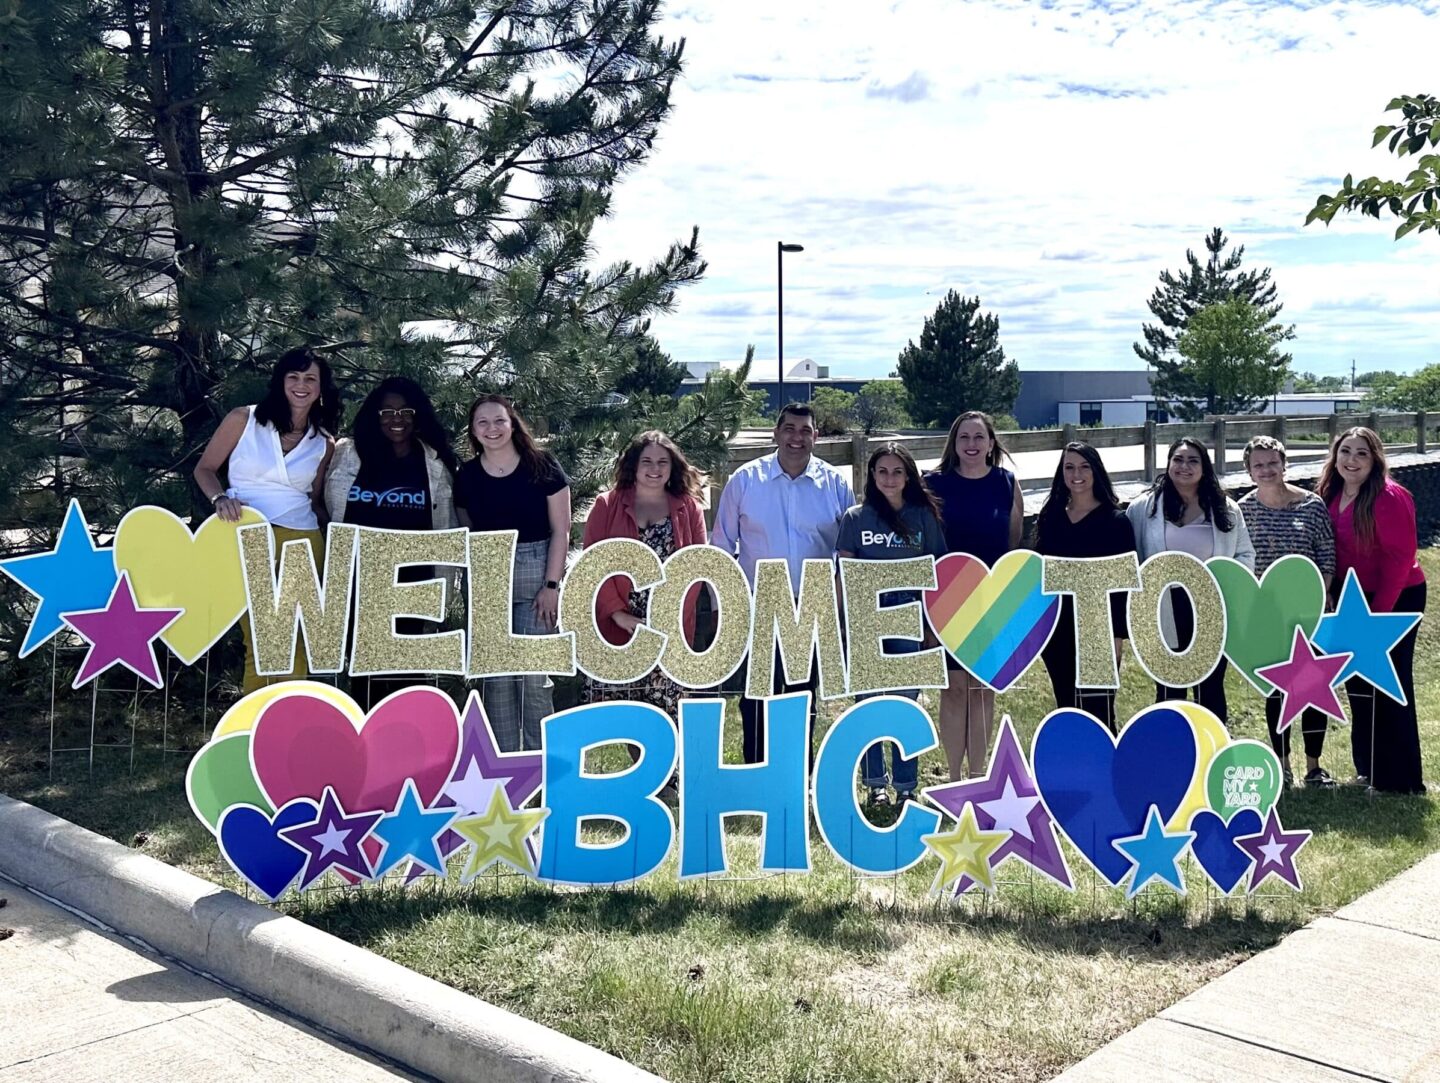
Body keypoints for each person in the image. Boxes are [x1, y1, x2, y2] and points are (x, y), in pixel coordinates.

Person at [711, 403, 855, 764]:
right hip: (757, 601)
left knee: (802, 691)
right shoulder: (744, 481)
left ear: (816, 437)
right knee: (756, 692)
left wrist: (840, 602)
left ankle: (796, 771)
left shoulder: (835, 484)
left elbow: (847, 548)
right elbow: (722, 545)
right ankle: (756, 769)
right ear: (775, 434)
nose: (797, 437)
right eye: (789, 429)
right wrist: (721, 608)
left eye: (805, 430)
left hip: (812, 604)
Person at [194, 346, 338, 693]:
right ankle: (250, 730)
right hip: (248, 534)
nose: (301, 385)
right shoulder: (243, 419)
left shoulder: (325, 442)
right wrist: (218, 498)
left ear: (321, 387)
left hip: (302, 540)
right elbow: (205, 469)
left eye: (310, 378)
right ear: (280, 381)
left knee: (299, 636)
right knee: (259, 636)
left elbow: (315, 501)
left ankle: (292, 726)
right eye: (294, 376)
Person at [582, 431, 709, 801]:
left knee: (666, 701)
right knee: (625, 702)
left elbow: (697, 567)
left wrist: (670, 619)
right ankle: (635, 779)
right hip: (619, 622)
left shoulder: (688, 508)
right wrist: (618, 614)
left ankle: (667, 779)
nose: (654, 469)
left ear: (673, 468)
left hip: (668, 623)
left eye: (662, 462)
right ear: (633, 467)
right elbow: (593, 562)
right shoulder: (607, 505)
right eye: (647, 462)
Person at [325, 377, 460, 707]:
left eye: (405, 411)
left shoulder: (434, 461)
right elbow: (322, 505)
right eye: (387, 411)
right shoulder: (348, 454)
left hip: (416, 581)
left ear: (418, 415)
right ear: (374, 415)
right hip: (360, 578)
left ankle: (409, 748)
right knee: (363, 668)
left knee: (411, 668)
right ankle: (364, 748)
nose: (396, 418)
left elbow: (447, 522)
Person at [454, 394, 571, 753]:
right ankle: (504, 768)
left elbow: (562, 530)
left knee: (533, 677)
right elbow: (466, 527)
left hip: (537, 569)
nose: (492, 429)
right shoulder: (468, 475)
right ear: (474, 431)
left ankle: (540, 766)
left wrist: (551, 584)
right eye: (482, 423)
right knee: (496, 679)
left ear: (512, 423)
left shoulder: (543, 466)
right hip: (489, 573)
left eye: (499, 420)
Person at [837, 443, 947, 808]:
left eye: (897, 471)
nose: (889, 478)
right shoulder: (856, 518)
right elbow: (845, 574)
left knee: (906, 704)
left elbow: (937, 574)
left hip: (910, 617)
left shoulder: (923, 517)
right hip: (867, 616)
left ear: (908, 476)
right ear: (871, 475)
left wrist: (933, 627)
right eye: (882, 471)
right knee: (868, 703)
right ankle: (875, 785)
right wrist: (843, 622)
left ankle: (905, 785)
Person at [1317, 427, 1426, 794]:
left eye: (1361, 453)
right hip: (1352, 600)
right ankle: (1369, 768)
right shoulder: (1331, 491)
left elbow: (1400, 559)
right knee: (1359, 684)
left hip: (1394, 598)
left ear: (1375, 459)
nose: (1351, 459)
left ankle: (1402, 780)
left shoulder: (1390, 496)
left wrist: (1377, 615)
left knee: (1389, 684)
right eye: (1345, 451)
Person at [923, 411, 1022, 780]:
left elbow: (1012, 542)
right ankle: (952, 775)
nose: (971, 444)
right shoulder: (933, 483)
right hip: (944, 599)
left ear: (991, 442)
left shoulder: (1006, 483)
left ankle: (979, 775)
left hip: (990, 601)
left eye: (979, 437)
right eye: (964, 437)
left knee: (982, 688)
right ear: (954, 442)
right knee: (953, 688)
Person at [1126, 438, 1254, 720]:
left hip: (1211, 607)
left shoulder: (1226, 508)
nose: (1185, 466)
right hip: (1162, 608)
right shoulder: (1143, 509)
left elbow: (1245, 554)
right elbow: (1131, 556)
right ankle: (1172, 753)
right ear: (1169, 464)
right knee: (1169, 686)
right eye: (1178, 459)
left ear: (1204, 467)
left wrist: (1228, 587)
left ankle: (1213, 750)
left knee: (1211, 686)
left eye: (1193, 460)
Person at [1239, 436, 1337, 788]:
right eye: (1258, 465)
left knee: (1311, 686)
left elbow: (1326, 554)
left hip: (1309, 613)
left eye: (1272, 463)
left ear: (1284, 465)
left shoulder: (1311, 505)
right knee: (1276, 690)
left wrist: (1318, 594)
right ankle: (1282, 765)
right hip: (1266, 616)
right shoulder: (1243, 510)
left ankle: (1314, 765)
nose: (1266, 470)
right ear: (1249, 471)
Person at [1031, 442, 1136, 733]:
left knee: (1100, 712)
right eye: (1069, 467)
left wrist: (1116, 636)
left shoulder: (1116, 522)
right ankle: (1073, 776)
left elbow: (1122, 588)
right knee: (1066, 707)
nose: (1076, 474)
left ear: (1096, 471)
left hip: (1097, 630)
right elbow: (1040, 574)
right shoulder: (1051, 517)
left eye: (1084, 466)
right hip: (1057, 630)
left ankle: (1107, 774)